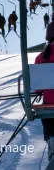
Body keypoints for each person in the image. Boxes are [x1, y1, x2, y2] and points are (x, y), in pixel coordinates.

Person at [33, 22, 54, 161]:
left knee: (47, 110)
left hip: (51, 104)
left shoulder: (41, 57)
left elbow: (38, 87)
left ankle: (52, 140)